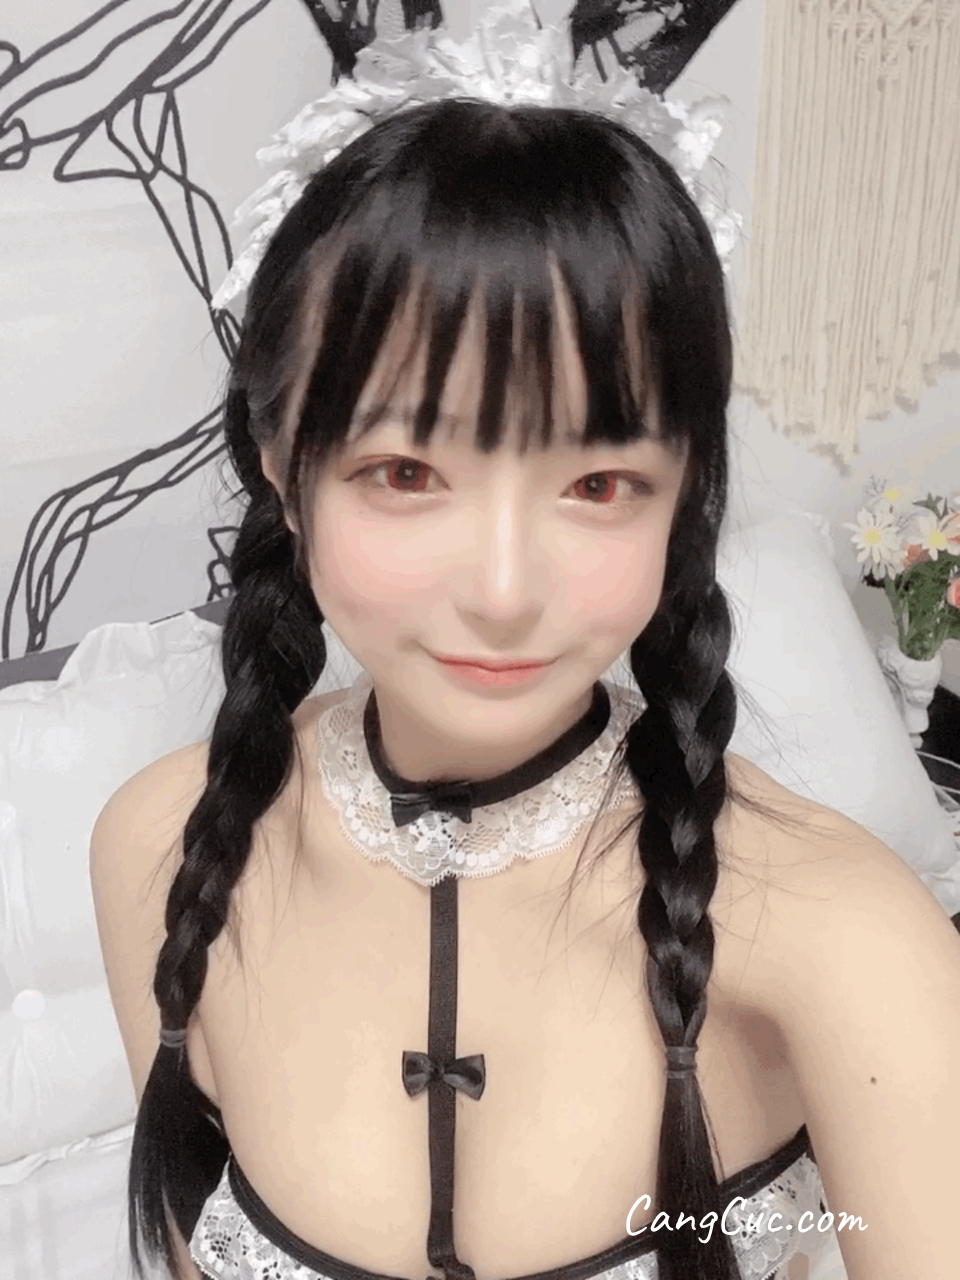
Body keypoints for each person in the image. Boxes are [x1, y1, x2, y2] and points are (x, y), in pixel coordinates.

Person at [90, 84, 960, 1280]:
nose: (504, 590)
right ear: (285, 471)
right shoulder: (158, 845)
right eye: (406, 471)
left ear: (683, 496)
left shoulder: (853, 938)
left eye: (598, 484)